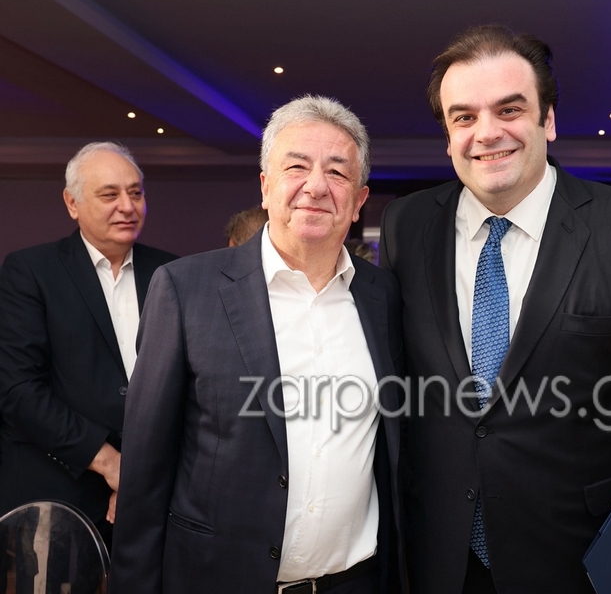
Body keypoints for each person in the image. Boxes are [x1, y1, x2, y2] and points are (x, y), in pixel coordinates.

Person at [380, 25, 611, 594]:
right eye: (463, 117)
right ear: (448, 135)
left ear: (548, 120)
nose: (487, 133)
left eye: (509, 109)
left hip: (578, 553)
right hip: (439, 553)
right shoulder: (406, 225)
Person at [109, 96, 405, 594]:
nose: (316, 186)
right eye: (297, 167)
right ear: (266, 187)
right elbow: (145, 471)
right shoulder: (186, 289)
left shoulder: (384, 298)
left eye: (337, 172)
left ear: (359, 202)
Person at [0, 142, 177, 551]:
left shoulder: (171, 272)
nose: (127, 206)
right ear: (72, 203)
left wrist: (139, 473)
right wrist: (111, 463)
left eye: (135, 193)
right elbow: (18, 390)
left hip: (153, 495)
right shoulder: (30, 272)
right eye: (109, 194)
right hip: (55, 498)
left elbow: (187, 386)